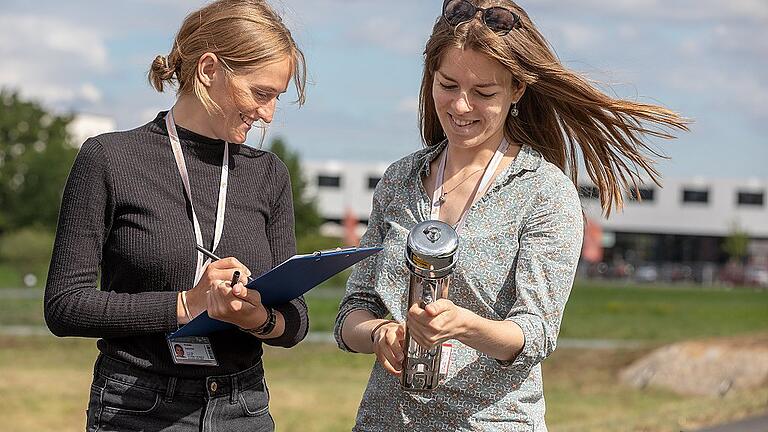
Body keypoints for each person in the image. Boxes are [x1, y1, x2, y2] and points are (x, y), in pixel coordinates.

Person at [334, 0, 688, 430]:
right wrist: (378, 334)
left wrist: (465, 326)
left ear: (517, 90)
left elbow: (535, 333)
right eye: (448, 85)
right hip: (385, 420)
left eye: (484, 93)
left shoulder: (545, 192)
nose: (461, 106)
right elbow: (355, 307)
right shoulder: (399, 179)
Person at [44, 1, 308, 430]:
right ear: (208, 69)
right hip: (137, 405)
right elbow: (65, 306)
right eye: (261, 93)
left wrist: (256, 317)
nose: (268, 114)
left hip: (243, 408)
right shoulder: (110, 159)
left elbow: (295, 321)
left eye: (276, 97)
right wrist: (186, 304)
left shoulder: (269, 174)